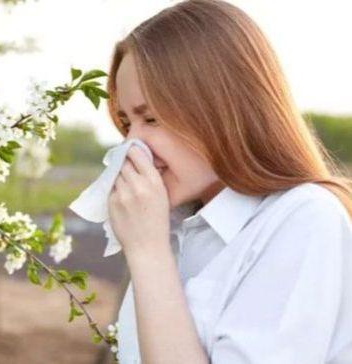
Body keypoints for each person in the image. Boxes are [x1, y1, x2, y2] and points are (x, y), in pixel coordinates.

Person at [105, 0, 352, 363]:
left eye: (151, 119)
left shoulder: (303, 220)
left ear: (221, 108)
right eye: (127, 123)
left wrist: (147, 253)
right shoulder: (177, 231)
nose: (131, 146)